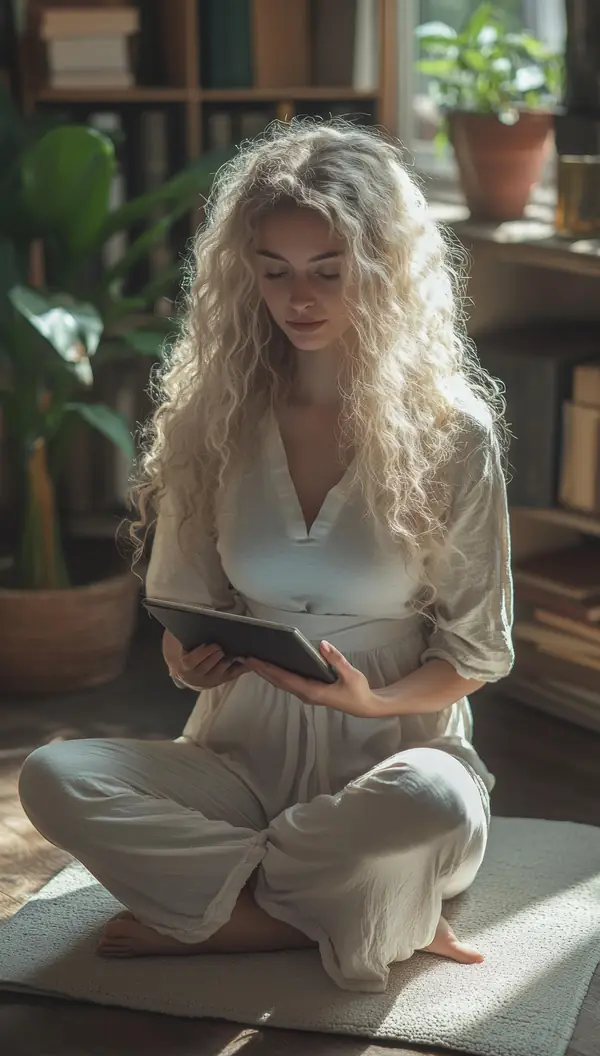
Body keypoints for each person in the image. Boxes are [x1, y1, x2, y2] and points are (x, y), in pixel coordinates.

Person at [18, 118, 514, 994]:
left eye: (330, 269)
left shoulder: (452, 434)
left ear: (387, 267)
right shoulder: (213, 421)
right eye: (274, 269)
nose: (301, 298)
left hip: (394, 760)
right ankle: (336, 910)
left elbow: (474, 653)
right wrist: (193, 658)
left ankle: (236, 908)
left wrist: (376, 698)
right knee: (55, 775)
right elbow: (180, 609)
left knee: (429, 803)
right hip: (242, 761)